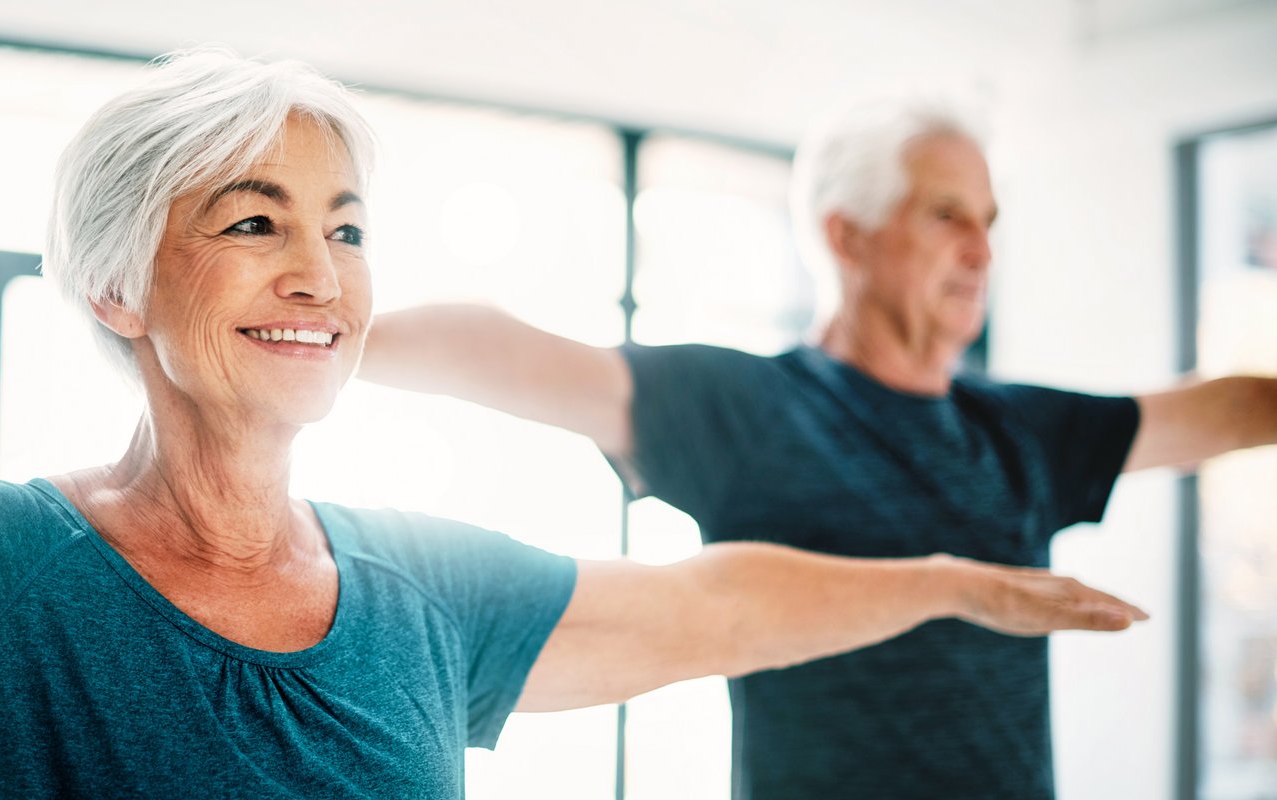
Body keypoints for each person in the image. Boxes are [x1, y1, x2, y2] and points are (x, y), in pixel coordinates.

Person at [0, 54, 1147, 800]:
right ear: (113, 282)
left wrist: (955, 583)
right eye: (252, 221)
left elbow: (706, 606)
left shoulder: (411, 591)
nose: (318, 272)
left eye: (344, 229)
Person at [358, 96, 1277, 799]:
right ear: (849, 235)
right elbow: (512, 355)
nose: (981, 253)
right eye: (946, 216)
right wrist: (309, 340)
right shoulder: (751, 407)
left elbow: (1230, 412)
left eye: (990, 223)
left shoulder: (1023, 433)